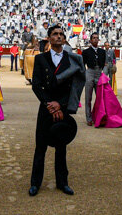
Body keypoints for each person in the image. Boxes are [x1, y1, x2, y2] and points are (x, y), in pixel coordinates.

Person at [28, 25, 85, 196]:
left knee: (61, 146)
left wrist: (60, 105)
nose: (58, 36)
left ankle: (63, 182)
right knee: (40, 147)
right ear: (49, 38)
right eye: (55, 34)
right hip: (46, 108)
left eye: (61, 34)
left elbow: (73, 87)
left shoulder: (71, 59)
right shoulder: (40, 58)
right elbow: (36, 85)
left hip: (62, 107)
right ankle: (35, 183)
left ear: (64, 39)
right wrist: (49, 104)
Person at [81, 33, 106, 126]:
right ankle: (89, 118)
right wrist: (85, 74)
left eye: (97, 38)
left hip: (99, 73)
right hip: (90, 73)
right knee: (88, 97)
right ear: (90, 40)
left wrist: (101, 72)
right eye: (94, 38)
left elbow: (103, 64)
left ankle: (98, 117)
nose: (95, 39)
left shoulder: (102, 52)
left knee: (100, 98)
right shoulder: (86, 52)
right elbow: (82, 65)